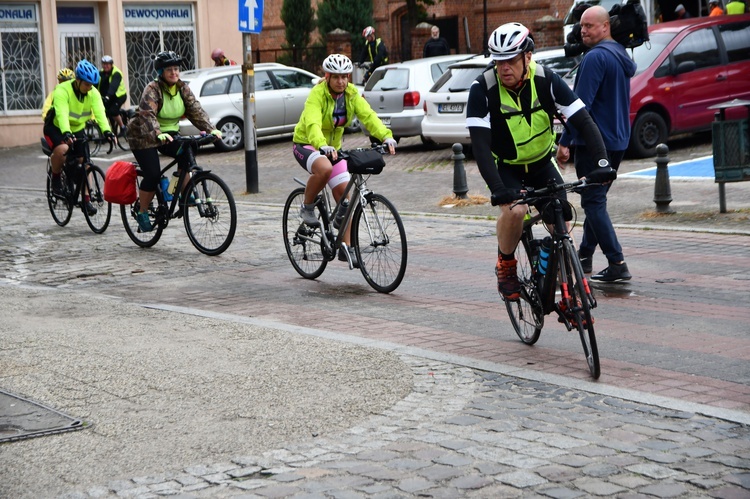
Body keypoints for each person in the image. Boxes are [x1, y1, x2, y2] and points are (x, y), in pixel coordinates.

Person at [466, 22, 613, 301]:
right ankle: (506, 264)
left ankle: (556, 275)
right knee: (516, 212)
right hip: (506, 166)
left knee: (562, 219)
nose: (504, 68)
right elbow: (481, 148)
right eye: (498, 62)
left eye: (510, 60)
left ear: (527, 56)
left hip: (542, 162)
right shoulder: (482, 89)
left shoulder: (547, 80)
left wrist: (602, 163)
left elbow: (584, 121)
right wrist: (498, 189)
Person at [292, 53, 397, 267]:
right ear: (328, 76)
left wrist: (386, 136)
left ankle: (345, 247)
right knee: (324, 169)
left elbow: (368, 115)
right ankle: (308, 207)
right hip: (307, 143)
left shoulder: (351, 94)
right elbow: (312, 123)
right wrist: (321, 144)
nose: (341, 81)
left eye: (345, 77)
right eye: (336, 77)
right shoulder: (317, 94)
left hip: (333, 149)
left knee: (345, 198)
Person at [557, 6, 635, 283]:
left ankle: (617, 262)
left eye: (589, 26)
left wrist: (565, 141)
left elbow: (580, 106)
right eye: (581, 26)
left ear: (605, 27)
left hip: (594, 143)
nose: (583, 31)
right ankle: (585, 254)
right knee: (596, 201)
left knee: (592, 202)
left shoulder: (595, 58)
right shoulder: (620, 54)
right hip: (618, 140)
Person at [126, 51, 221, 232]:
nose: (174, 73)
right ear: (161, 72)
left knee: (188, 150)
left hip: (168, 133)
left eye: (176, 69)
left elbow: (195, 110)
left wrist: (211, 129)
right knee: (152, 174)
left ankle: (181, 191)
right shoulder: (152, 89)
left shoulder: (182, 88)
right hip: (143, 135)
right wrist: (156, 133)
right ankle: (143, 211)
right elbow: (148, 115)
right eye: (169, 69)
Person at [43, 60, 115, 215]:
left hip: (78, 129)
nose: (90, 88)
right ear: (78, 81)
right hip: (56, 127)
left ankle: (86, 200)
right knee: (63, 149)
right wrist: (66, 133)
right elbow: (62, 113)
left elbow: (100, 113)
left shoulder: (93, 92)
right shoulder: (62, 90)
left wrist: (107, 131)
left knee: (86, 164)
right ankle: (56, 178)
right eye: (87, 84)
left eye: (92, 85)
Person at [97, 55, 128, 134]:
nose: (105, 66)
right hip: (107, 97)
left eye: (107, 64)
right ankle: (110, 132)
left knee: (113, 111)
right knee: (103, 112)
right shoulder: (100, 73)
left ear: (111, 64)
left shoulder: (116, 73)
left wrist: (108, 96)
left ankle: (123, 127)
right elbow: (96, 84)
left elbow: (113, 86)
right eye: (104, 64)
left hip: (119, 96)